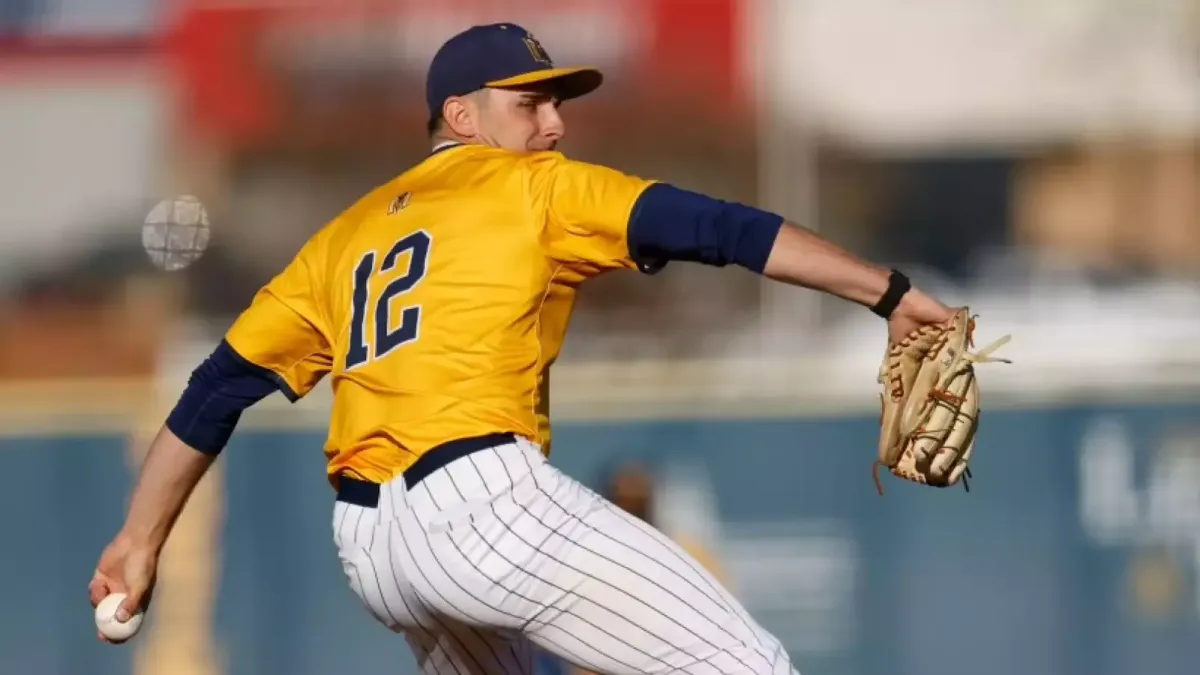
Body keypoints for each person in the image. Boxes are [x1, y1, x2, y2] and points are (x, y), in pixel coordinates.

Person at [89, 22, 955, 675]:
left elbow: (215, 392)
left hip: (373, 547)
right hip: (482, 505)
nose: (554, 126)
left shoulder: (342, 237)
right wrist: (886, 292)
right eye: (529, 103)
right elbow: (719, 229)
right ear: (462, 117)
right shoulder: (528, 188)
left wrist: (138, 538)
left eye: (557, 104)